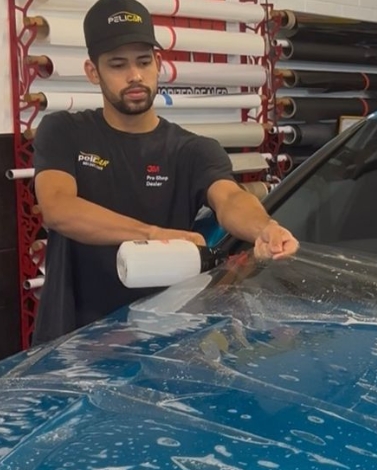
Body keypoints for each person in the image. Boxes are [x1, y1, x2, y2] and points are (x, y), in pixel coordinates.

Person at [31, 0, 299, 345]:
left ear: (158, 64)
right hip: (71, 339)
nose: (134, 76)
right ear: (92, 71)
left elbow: (230, 197)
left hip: (159, 339)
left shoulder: (192, 149)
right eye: (117, 64)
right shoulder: (64, 131)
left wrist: (265, 227)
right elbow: (57, 208)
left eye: (144, 62)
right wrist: (153, 234)